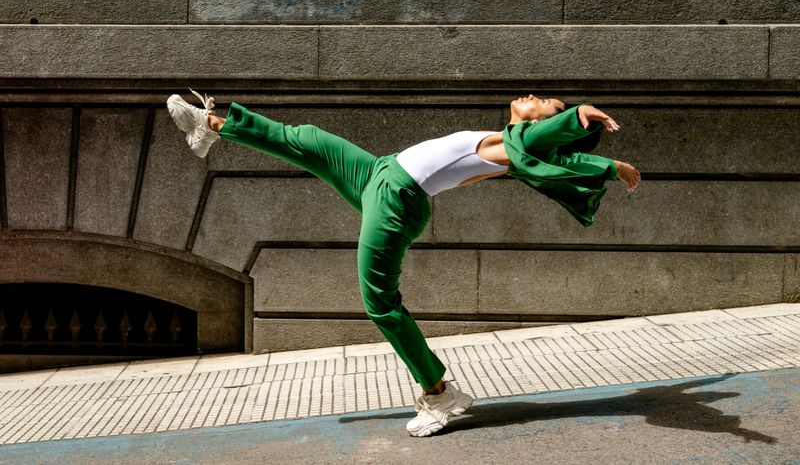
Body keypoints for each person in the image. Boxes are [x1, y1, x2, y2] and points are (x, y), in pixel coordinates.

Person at [166, 91, 641, 437]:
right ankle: (210, 127)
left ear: (541, 125)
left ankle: (438, 392)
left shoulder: (517, 144)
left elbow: (546, 139)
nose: (533, 96)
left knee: (380, 303)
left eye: (545, 102)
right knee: (308, 139)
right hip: (379, 171)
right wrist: (597, 155)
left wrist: (578, 119)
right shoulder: (504, 143)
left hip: (395, 199)